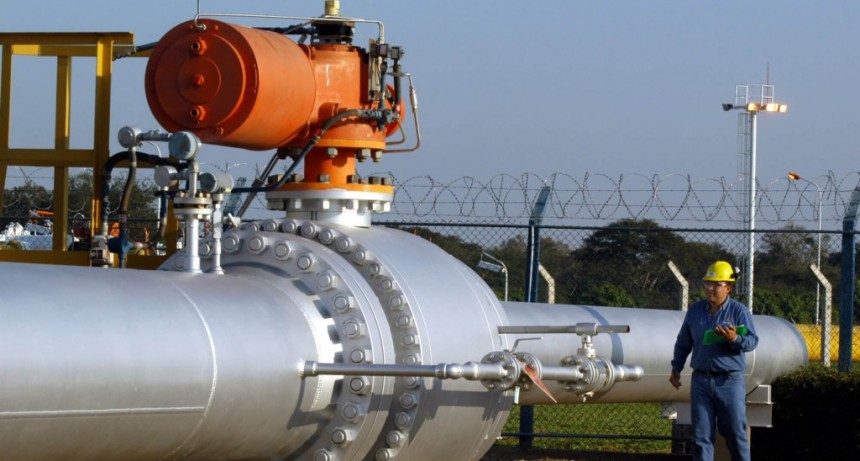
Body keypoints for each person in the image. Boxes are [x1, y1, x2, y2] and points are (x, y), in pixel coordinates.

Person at [670, 261, 759, 461]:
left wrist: (734, 338)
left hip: (729, 381)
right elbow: (683, 342)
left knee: (735, 431)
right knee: (701, 436)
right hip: (701, 380)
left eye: (716, 284)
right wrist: (676, 367)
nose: (710, 288)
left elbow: (752, 342)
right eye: (708, 284)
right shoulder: (695, 311)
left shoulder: (739, 312)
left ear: (728, 287)